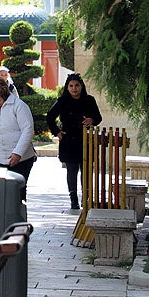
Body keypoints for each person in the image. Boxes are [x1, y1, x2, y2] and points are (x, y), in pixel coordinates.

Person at [46, 73, 103, 211]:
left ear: (81, 86)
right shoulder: (62, 101)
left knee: (86, 170)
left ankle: (86, 197)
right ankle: (73, 199)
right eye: (71, 86)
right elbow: (50, 117)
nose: (74, 88)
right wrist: (57, 132)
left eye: (77, 85)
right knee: (72, 170)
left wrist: (91, 120)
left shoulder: (89, 100)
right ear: (67, 87)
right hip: (68, 140)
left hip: (86, 139)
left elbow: (98, 117)